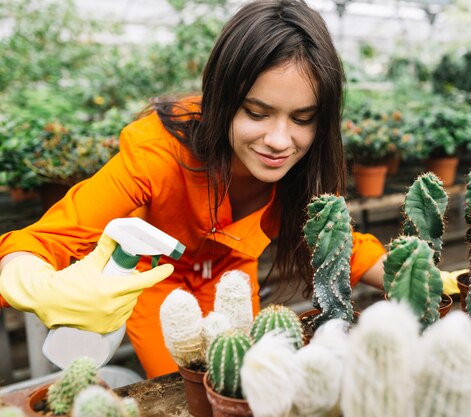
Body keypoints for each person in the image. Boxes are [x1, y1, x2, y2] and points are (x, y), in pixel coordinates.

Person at [0, 0, 386, 378]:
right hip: (156, 276)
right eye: (257, 113)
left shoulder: (304, 166)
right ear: (222, 99)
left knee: (240, 378)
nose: (280, 140)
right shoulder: (157, 151)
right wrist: (39, 287)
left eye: (302, 118)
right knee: (180, 385)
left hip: (231, 275)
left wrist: (418, 278)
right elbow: (37, 242)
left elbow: (334, 241)